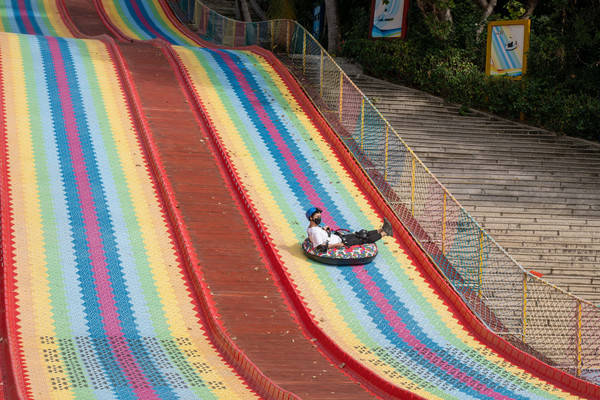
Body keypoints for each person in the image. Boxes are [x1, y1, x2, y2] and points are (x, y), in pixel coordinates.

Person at [305, 207, 393, 252]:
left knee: (361, 233)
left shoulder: (311, 228)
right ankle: (385, 232)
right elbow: (320, 247)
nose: (319, 218)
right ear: (311, 218)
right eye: (317, 217)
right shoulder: (315, 232)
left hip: (339, 237)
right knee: (364, 238)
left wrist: (324, 230)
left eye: (320, 216)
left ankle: (381, 229)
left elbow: (311, 237)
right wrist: (336, 245)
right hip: (341, 242)